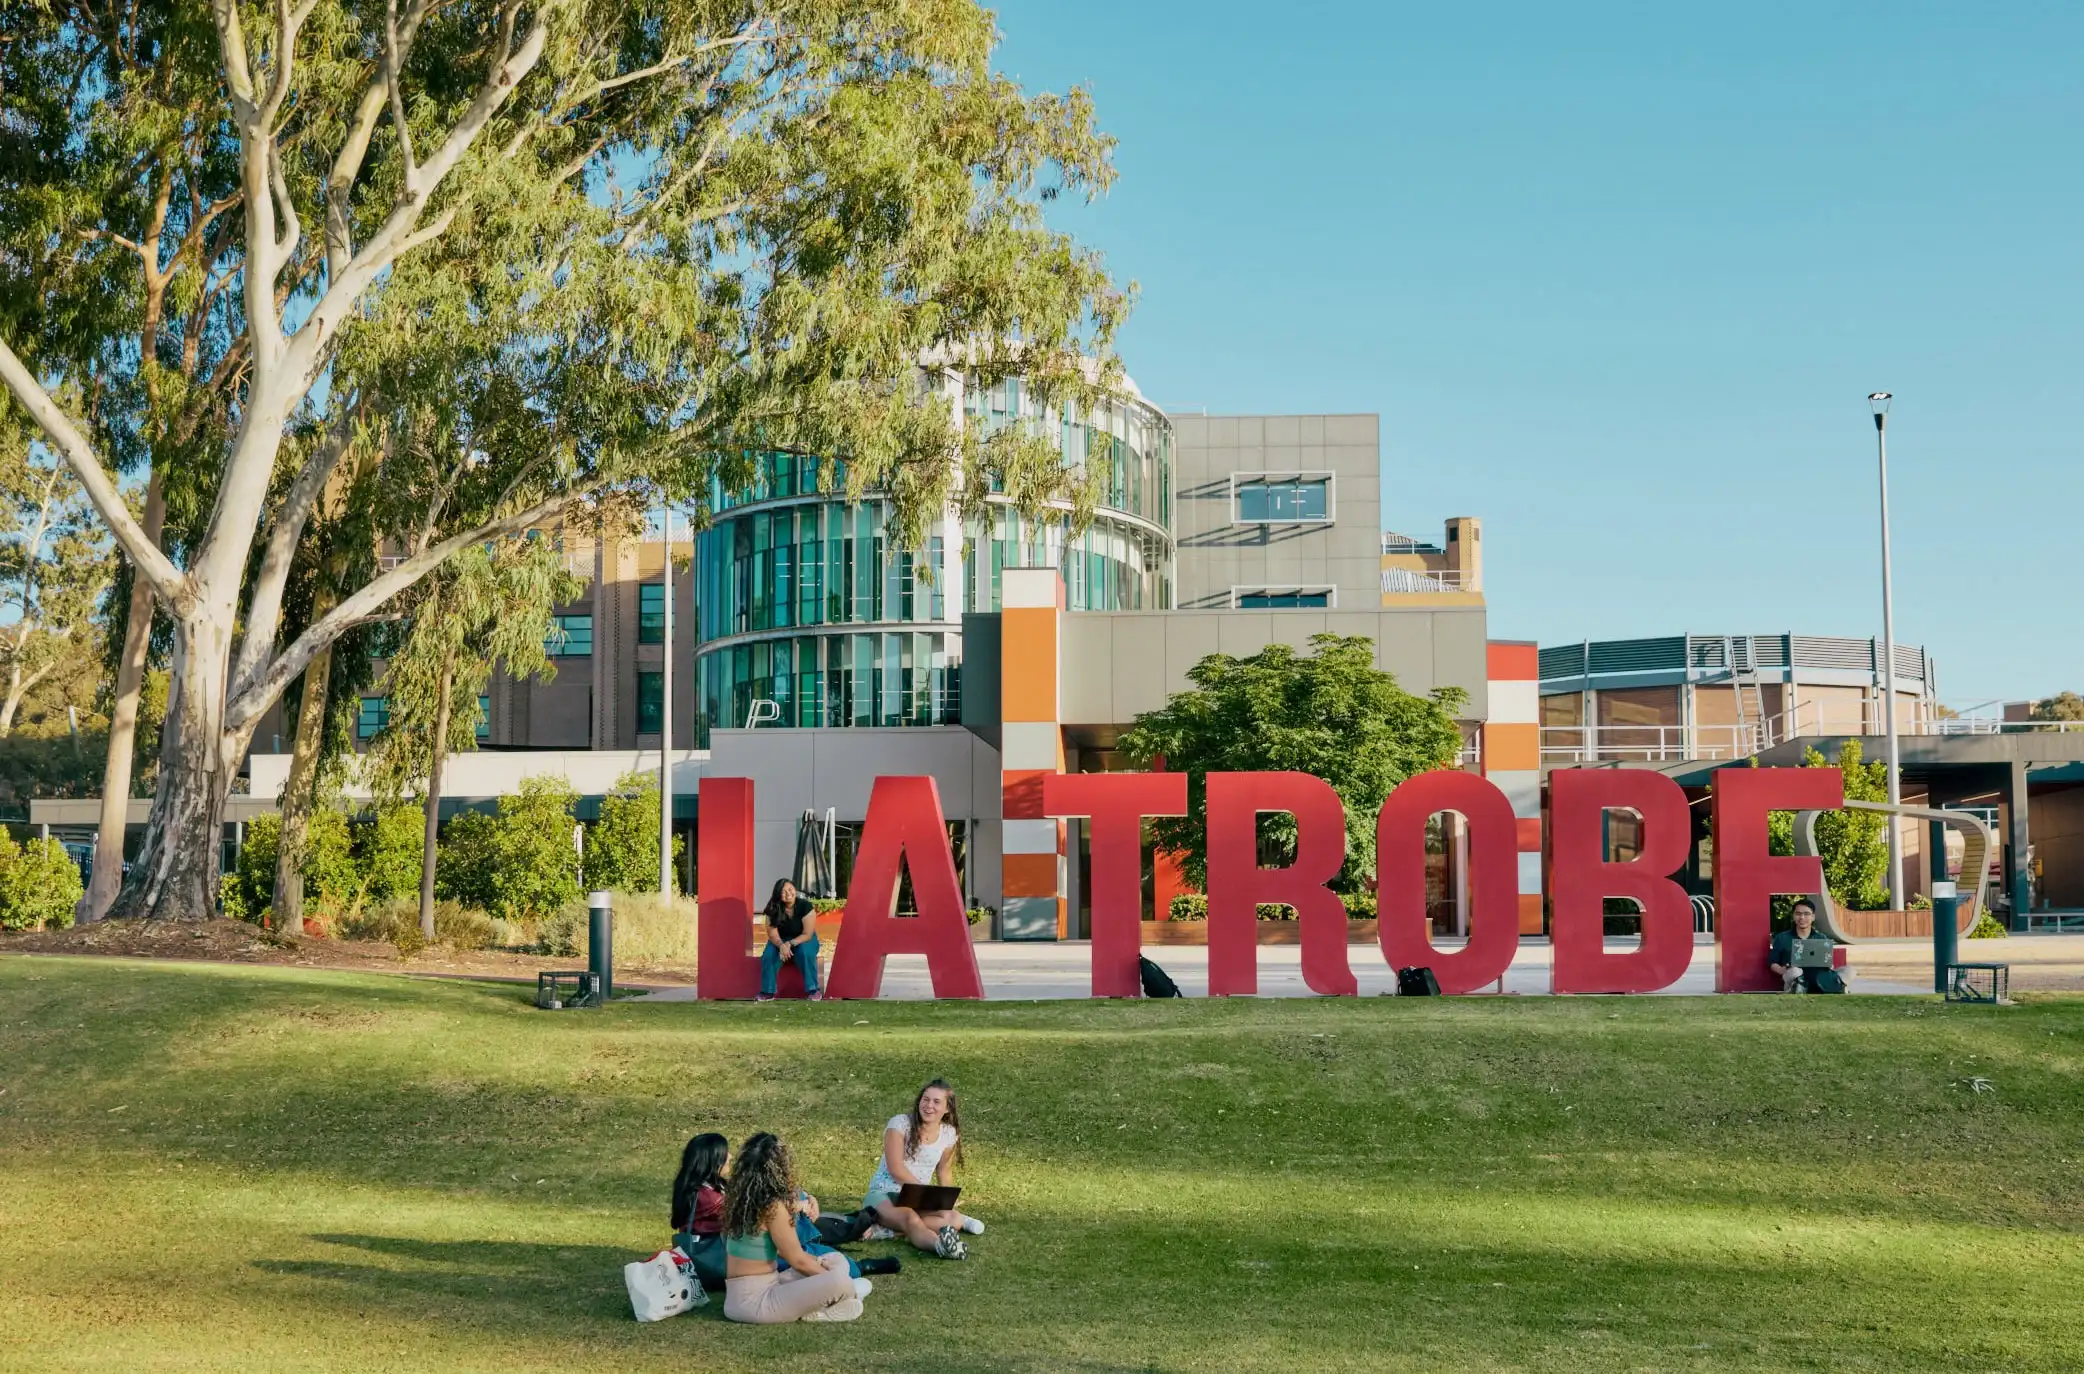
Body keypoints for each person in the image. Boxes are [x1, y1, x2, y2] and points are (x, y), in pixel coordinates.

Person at [722, 1132, 865, 1324]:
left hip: (745, 1295)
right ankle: (833, 1304)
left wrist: (823, 1267)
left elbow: (787, 1253)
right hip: (759, 1302)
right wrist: (841, 1286)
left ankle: (833, 1299)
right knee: (841, 1280)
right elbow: (798, 1261)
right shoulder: (772, 1208)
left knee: (834, 1259)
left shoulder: (740, 1200)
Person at [863, 1078, 982, 1259]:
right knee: (909, 1218)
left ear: (947, 1108)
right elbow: (896, 1168)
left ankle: (890, 1231)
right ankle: (940, 1246)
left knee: (954, 1219)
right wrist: (926, 1192)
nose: (929, 1106)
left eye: (936, 1102)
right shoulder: (899, 1124)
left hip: (916, 1198)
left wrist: (945, 1199)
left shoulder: (948, 1134)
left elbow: (943, 1170)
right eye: (925, 1099)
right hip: (883, 1193)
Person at [669, 1132, 731, 1290]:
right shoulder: (709, 1198)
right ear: (712, 1161)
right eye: (725, 1154)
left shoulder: (692, 1187)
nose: (730, 1157)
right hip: (717, 1256)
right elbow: (746, 1216)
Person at [758, 879, 821, 1002]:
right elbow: (772, 934)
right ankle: (767, 991)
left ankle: (813, 990)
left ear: (795, 889)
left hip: (803, 939)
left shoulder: (805, 906)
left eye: (790, 889)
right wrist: (782, 945)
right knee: (769, 955)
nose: (788, 893)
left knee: (804, 952)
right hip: (780, 940)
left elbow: (807, 934)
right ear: (778, 894)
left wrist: (790, 944)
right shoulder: (772, 908)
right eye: (783, 891)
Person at [1769, 899, 1846, 993]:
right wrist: (1782, 970)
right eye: (1798, 914)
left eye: (1806, 914)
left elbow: (1828, 961)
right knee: (1795, 971)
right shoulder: (1782, 938)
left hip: (1818, 977)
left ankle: (1839, 986)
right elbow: (1773, 963)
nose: (1802, 917)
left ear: (1813, 917)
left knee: (1849, 970)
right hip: (1794, 976)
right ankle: (1798, 988)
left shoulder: (1821, 938)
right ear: (1793, 916)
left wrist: (1829, 966)